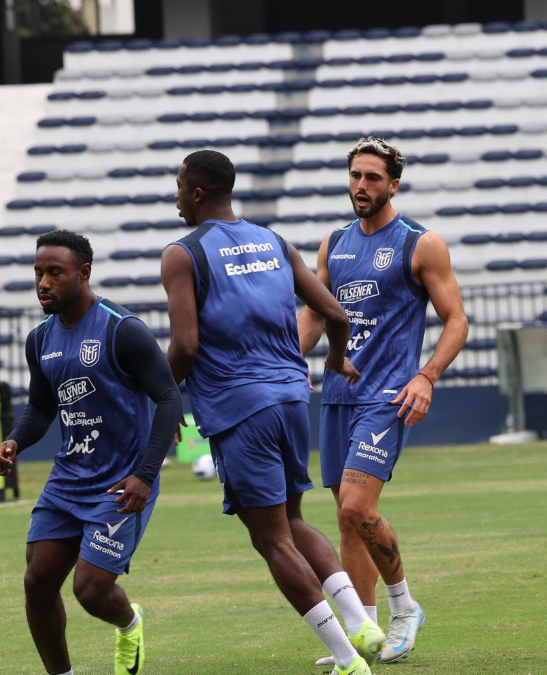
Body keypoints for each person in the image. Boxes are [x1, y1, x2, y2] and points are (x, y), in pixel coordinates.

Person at [160, 149, 382, 675]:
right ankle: (363, 624)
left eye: (177, 186)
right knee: (293, 520)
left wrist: (158, 398)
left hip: (240, 408)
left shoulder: (182, 254)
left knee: (271, 538)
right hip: (289, 397)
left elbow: (185, 346)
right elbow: (332, 310)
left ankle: (350, 660)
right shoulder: (274, 242)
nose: (175, 196)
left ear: (194, 192)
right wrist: (332, 357)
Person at [297, 137, 469, 665]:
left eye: (373, 177)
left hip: (388, 397)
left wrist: (427, 377)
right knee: (346, 519)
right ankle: (365, 631)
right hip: (338, 396)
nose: (361, 186)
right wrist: (286, 362)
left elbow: (457, 321)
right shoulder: (334, 243)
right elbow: (316, 316)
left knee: (356, 506)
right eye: (355, 175)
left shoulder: (421, 244)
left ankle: (404, 607)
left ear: (393, 184)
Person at [0, 229, 182, 675]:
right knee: (38, 582)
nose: (43, 282)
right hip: (68, 480)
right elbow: (42, 409)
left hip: (122, 481)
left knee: (91, 591)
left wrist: (145, 475)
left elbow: (170, 398)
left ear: (84, 273)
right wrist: (16, 439)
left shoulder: (122, 329)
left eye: (54, 273)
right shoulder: (39, 339)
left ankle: (130, 623)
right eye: (38, 272)